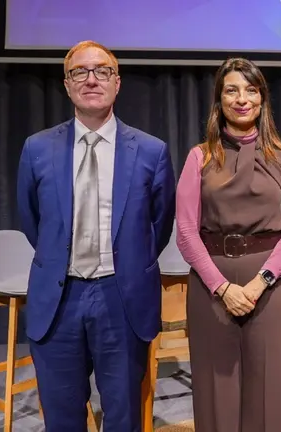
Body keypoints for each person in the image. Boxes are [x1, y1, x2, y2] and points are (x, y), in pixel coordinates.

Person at [15, 40, 175, 431]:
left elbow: (160, 224)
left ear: (117, 83)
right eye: (79, 72)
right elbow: (31, 220)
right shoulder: (36, 148)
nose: (91, 79)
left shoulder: (152, 152)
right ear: (66, 85)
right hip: (59, 299)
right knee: (62, 418)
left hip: (121, 300)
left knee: (123, 418)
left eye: (101, 71)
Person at [175, 57, 281, 432]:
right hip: (212, 283)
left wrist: (260, 281)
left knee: (272, 391)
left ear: (263, 100)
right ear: (219, 100)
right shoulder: (199, 157)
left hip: (270, 283)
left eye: (251, 90)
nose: (242, 99)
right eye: (231, 90)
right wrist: (223, 287)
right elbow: (185, 232)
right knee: (216, 390)